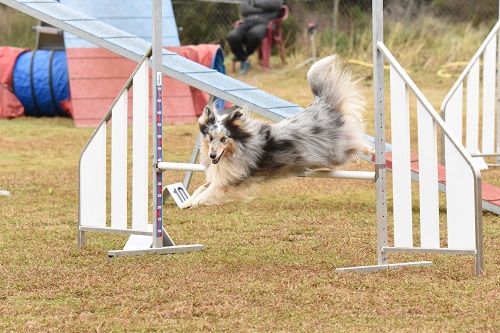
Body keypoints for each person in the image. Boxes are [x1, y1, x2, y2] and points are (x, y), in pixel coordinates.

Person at [226, 0, 284, 75]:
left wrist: (254, 3)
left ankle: (243, 57)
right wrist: (263, 8)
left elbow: (275, 4)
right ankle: (244, 59)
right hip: (247, 23)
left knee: (254, 34)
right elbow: (244, 10)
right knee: (232, 36)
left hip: (264, 23)